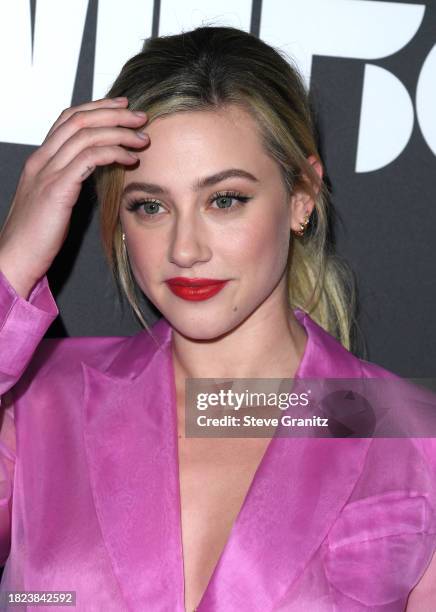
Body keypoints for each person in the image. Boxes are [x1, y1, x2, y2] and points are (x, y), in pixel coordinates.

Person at [0, 24, 435, 611]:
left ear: (301, 195)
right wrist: (12, 263)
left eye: (224, 199)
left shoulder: (412, 439)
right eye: (150, 206)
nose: (185, 249)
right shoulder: (36, 407)